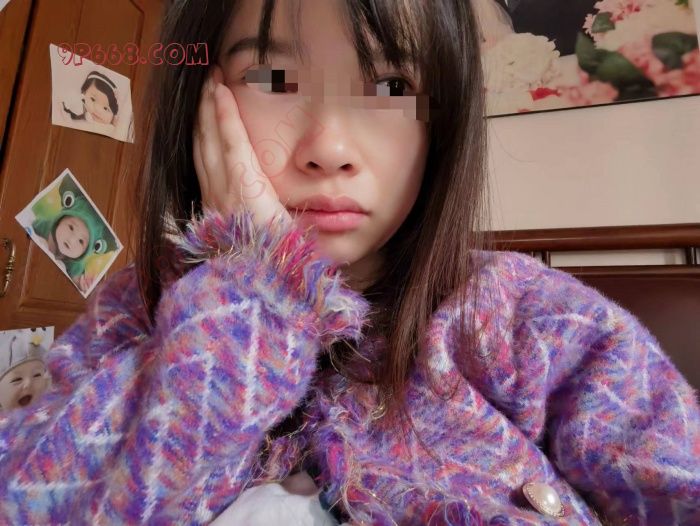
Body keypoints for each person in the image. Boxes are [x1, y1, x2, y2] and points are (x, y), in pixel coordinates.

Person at [1, 0, 698, 525]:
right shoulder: (135, 308)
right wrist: (255, 283)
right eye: (272, 76)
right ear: (199, 101)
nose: (330, 146)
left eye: (392, 87)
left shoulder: (535, 319)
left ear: (442, 118)